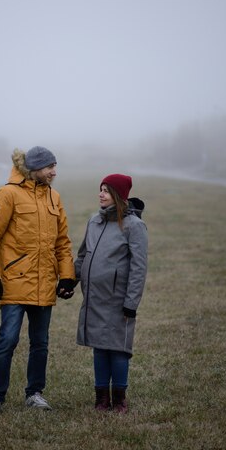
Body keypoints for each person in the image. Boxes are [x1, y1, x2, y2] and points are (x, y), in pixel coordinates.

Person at [0, 146, 76, 416]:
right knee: (7, 340)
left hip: (44, 285)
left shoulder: (54, 198)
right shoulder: (8, 194)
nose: (54, 171)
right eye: (48, 167)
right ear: (33, 169)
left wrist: (67, 275)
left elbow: (62, 243)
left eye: (55, 165)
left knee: (40, 343)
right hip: (14, 283)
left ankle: (35, 393)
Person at [75, 173, 148, 414]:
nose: (101, 194)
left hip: (118, 301)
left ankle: (119, 399)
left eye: (106, 190)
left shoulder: (134, 226)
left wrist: (131, 302)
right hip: (95, 297)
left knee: (118, 349)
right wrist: (70, 280)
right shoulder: (94, 221)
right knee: (99, 347)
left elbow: (139, 267)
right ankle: (101, 399)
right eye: (100, 189)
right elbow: (84, 255)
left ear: (118, 195)